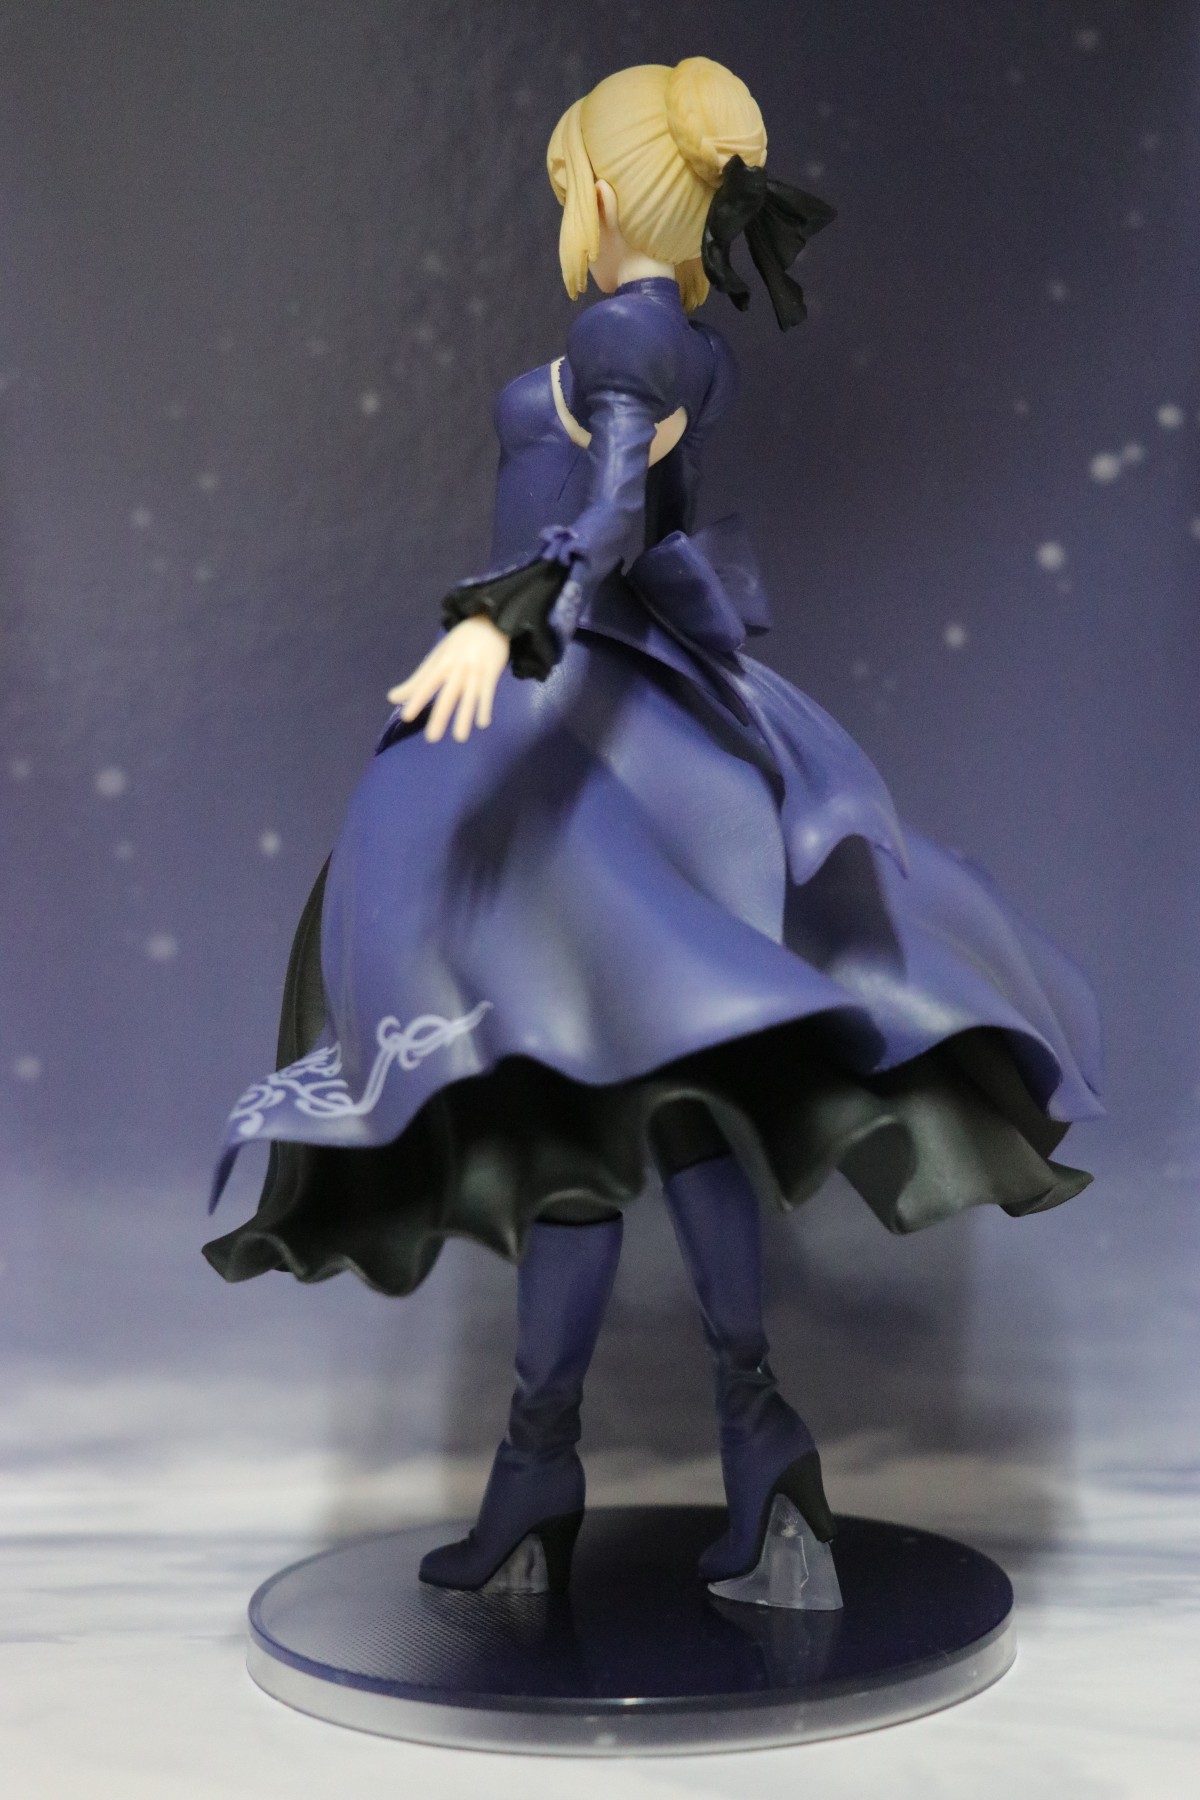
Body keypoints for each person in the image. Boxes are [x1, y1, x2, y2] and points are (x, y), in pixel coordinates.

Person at [204, 59, 1103, 1606]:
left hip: (579, 739)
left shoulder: (622, 331)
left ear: (606, 190)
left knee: (584, 1094)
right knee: (650, 1106)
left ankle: (576, 1468)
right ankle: (730, 1460)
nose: (565, 203)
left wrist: (506, 616)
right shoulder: (674, 334)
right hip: (643, 731)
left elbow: (618, 508)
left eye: (569, 179)